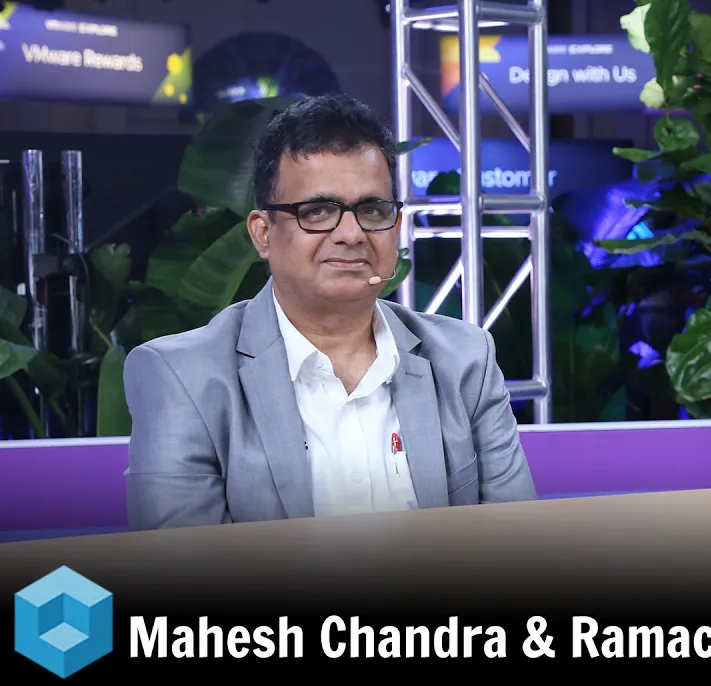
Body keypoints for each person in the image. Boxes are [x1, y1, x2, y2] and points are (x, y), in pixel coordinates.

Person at [124, 94, 537, 529]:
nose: (351, 234)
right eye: (318, 211)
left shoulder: (464, 359)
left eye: (372, 210)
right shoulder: (183, 376)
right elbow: (184, 562)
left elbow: (517, 542)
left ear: (396, 227)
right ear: (263, 233)